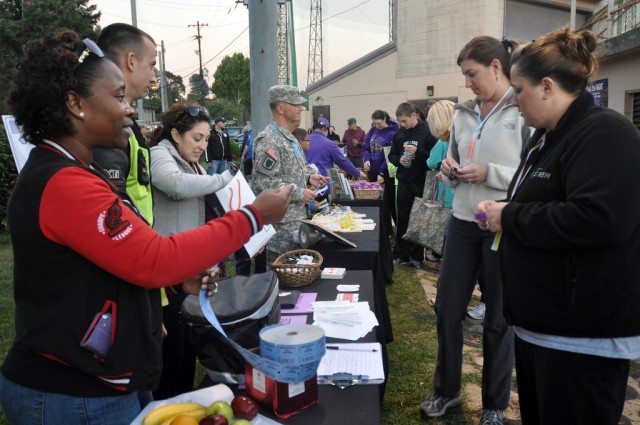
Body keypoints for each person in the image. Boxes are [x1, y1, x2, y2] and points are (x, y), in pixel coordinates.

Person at [0, 29, 292, 424]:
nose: (130, 110)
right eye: (118, 97)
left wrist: (175, 284)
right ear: (75, 104)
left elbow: (115, 261)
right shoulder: (64, 183)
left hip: (101, 380)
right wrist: (253, 216)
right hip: (72, 392)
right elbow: (155, 257)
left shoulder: (76, 172)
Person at [476, 28, 640, 425]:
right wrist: (507, 208)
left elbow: (598, 219)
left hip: (582, 336)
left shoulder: (605, 133)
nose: (514, 101)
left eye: (518, 90)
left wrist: (508, 216)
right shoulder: (546, 137)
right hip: (543, 326)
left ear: (547, 86)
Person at [420, 36, 531, 424]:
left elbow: (533, 174)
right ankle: (446, 390)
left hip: (502, 226)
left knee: (499, 319)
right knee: (448, 308)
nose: (467, 83)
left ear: (496, 67)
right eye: (464, 75)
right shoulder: (465, 113)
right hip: (463, 225)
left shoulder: (523, 110)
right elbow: (451, 159)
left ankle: (495, 405)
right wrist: (449, 172)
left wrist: (490, 174)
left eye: (472, 74)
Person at [148, 103, 232, 399]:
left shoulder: (192, 162)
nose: (203, 145)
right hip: (167, 273)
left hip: (189, 269)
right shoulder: (160, 154)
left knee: (187, 350)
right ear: (175, 134)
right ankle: (165, 409)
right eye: (197, 138)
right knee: (171, 356)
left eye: (206, 139)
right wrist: (224, 180)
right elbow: (174, 184)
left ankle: (182, 405)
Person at [251, 85, 328, 263]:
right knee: (282, 279)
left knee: (296, 274)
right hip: (281, 225)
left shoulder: (289, 137)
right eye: (295, 104)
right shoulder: (269, 140)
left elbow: (293, 168)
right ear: (280, 108)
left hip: (295, 220)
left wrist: (310, 177)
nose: (301, 108)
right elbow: (264, 184)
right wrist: (301, 193)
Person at [93, 23, 158, 226]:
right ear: (131, 61)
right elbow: (111, 211)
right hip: (128, 248)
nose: (154, 78)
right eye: (152, 65)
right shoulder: (107, 125)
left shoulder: (124, 118)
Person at [387, 102, 437, 268]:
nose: (402, 124)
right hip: (403, 181)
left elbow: (433, 158)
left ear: (414, 115)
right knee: (403, 218)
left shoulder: (428, 132)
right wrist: (398, 160)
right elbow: (392, 155)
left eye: (404, 121)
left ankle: (417, 256)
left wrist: (418, 152)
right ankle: (402, 254)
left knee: (419, 219)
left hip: (421, 181)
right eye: (400, 121)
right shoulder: (399, 133)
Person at [362, 109, 399, 231]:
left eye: (379, 123)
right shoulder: (373, 130)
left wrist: (382, 172)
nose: (377, 126)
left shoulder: (393, 133)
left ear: (385, 119)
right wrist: (367, 159)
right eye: (375, 123)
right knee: (377, 202)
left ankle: (391, 231)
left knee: (388, 202)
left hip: (386, 173)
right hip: (372, 171)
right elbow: (365, 146)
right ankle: (380, 228)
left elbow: (389, 154)